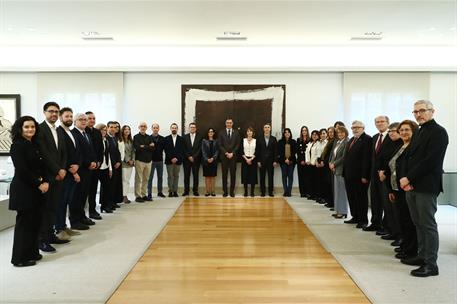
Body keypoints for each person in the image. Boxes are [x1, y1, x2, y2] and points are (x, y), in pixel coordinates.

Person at [399, 100, 448, 277]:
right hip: (411, 185)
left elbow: (431, 161)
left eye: (422, 111)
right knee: (417, 223)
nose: (418, 114)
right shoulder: (419, 131)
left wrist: (409, 178)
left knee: (427, 225)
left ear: (432, 111)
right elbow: (408, 157)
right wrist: (406, 180)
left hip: (426, 185)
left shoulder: (439, 132)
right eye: (415, 112)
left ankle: (431, 264)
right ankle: (422, 256)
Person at [9, 116, 49, 267]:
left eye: (32, 127)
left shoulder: (34, 144)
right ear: (20, 129)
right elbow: (22, 170)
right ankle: (19, 258)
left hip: (37, 190)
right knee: (24, 225)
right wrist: (39, 183)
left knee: (35, 223)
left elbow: (42, 166)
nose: (30, 129)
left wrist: (45, 181)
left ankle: (32, 253)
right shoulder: (17, 145)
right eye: (26, 127)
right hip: (24, 189)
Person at [383, 121, 418, 261]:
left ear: (414, 131)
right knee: (402, 219)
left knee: (409, 221)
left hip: (406, 188)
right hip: (396, 188)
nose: (403, 132)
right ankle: (405, 245)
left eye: (407, 130)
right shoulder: (400, 146)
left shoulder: (414, 147)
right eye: (401, 130)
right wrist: (391, 189)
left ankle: (411, 249)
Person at [37, 102, 69, 253]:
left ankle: (50, 236)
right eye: (51, 111)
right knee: (45, 209)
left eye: (56, 112)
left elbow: (63, 152)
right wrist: (57, 170)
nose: (54, 114)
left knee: (53, 207)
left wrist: (62, 169)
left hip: (59, 175)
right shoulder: (40, 129)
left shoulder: (59, 130)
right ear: (44, 112)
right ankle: (42, 240)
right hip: (47, 175)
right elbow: (44, 153)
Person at [364, 116, 397, 240]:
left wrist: (384, 172)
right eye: (377, 122)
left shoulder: (393, 136)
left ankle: (386, 227)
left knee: (386, 202)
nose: (379, 123)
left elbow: (390, 157)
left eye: (382, 121)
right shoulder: (374, 138)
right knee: (375, 200)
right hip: (374, 174)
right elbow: (373, 157)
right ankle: (375, 223)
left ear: (388, 123)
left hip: (385, 175)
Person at [55, 108, 81, 238]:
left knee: (67, 201)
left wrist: (77, 166)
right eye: (67, 116)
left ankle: (64, 226)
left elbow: (76, 152)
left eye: (71, 116)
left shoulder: (71, 132)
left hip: (73, 171)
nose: (69, 118)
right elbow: (63, 154)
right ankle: (59, 228)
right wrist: (72, 170)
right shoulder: (58, 132)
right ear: (60, 117)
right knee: (61, 201)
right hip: (65, 172)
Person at [70, 113, 97, 230]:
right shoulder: (73, 134)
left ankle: (82, 216)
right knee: (77, 196)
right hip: (80, 169)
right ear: (75, 121)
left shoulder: (86, 134)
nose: (84, 121)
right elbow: (77, 153)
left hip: (88, 170)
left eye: (85, 120)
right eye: (81, 119)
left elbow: (91, 150)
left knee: (84, 195)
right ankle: (75, 220)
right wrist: (88, 163)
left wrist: (94, 161)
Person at [342, 120, 372, 228]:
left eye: (357, 127)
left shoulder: (367, 139)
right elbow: (347, 158)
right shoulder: (351, 140)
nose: (355, 129)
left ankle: (363, 220)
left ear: (363, 128)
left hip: (360, 176)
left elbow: (367, 159)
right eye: (353, 127)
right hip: (349, 175)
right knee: (352, 197)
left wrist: (365, 175)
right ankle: (355, 216)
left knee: (361, 198)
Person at [85, 111, 104, 220]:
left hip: (96, 165)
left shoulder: (97, 132)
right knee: (84, 191)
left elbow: (100, 149)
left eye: (93, 118)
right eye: (89, 118)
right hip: (86, 166)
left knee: (93, 189)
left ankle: (92, 210)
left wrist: (99, 161)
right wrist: (90, 162)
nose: (92, 120)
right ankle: (83, 212)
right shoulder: (83, 131)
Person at [328, 126, 349, 219]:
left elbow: (344, 157)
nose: (340, 134)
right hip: (335, 169)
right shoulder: (337, 142)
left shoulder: (346, 142)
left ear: (345, 133)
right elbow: (333, 154)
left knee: (341, 191)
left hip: (341, 169)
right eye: (338, 132)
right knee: (337, 191)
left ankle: (343, 211)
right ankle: (338, 210)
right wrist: (331, 163)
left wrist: (334, 164)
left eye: (342, 132)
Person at [95, 123, 115, 213]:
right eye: (101, 130)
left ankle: (105, 206)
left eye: (104, 130)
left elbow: (108, 155)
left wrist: (110, 168)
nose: (103, 131)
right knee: (94, 189)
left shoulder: (106, 140)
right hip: (97, 168)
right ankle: (94, 208)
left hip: (105, 166)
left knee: (106, 187)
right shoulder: (95, 140)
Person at [219, 118, 241, 197]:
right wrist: (226, 153)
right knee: (224, 175)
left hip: (233, 157)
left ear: (232, 124)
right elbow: (220, 145)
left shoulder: (237, 133)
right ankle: (225, 192)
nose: (229, 124)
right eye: (227, 123)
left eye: (230, 123)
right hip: (224, 157)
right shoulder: (221, 132)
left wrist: (232, 153)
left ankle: (232, 192)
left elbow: (238, 144)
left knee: (233, 175)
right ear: (225, 124)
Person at [133, 122, 154, 202]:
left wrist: (143, 146)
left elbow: (153, 149)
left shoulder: (149, 137)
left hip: (148, 161)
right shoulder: (136, 137)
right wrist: (148, 146)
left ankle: (144, 194)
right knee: (139, 179)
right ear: (139, 127)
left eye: (144, 126)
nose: (143, 127)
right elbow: (137, 148)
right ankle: (138, 196)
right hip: (139, 161)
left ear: (146, 128)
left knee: (146, 179)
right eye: (141, 126)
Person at [164, 123, 185, 197]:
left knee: (176, 176)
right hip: (169, 161)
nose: (174, 129)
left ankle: (175, 191)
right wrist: (171, 158)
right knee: (170, 176)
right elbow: (166, 150)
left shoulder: (181, 139)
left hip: (178, 160)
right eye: (172, 128)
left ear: (177, 129)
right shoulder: (166, 138)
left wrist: (176, 158)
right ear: (170, 129)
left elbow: (182, 150)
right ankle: (170, 191)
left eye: (175, 128)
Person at [256, 123, 278, 197]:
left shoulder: (274, 139)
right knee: (262, 177)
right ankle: (262, 192)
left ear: (270, 129)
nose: (267, 129)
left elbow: (275, 151)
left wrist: (275, 160)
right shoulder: (259, 138)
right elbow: (257, 151)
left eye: (268, 127)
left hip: (271, 161)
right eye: (265, 127)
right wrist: (258, 161)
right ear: (263, 129)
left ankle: (270, 192)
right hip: (262, 161)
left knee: (270, 177)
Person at [183, 122, 203, 196]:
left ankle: (195, 191)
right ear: (189, 128)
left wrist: (194, 157)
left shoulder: (200, 137)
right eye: (191, 127)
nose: (192, 128)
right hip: (186, 160)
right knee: (186, 176)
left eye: (194, 127)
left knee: (195, 176)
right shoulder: (184, 137)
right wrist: (189, 156)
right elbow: (184, 148)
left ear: (196, 128)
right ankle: (186, 191)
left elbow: (200, 148)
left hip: (196, 160)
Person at [147, 123, 165, 199]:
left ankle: (160, 192)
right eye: (154, 128)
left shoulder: (162, 138)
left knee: (160, 177)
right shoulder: (148, 138)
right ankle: (149, 193)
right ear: (152, 129)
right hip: (151, 161)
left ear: (158, 129)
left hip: (160, 160)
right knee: (150, 178)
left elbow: (165, 149)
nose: (155, 129)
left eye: (156, 128)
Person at [107, 121, 122, 208]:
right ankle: (108, 203)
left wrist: (119, 161)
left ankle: (113, 202)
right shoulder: (106, 138)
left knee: (114, 185)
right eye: (111, 127)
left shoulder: (114, 138)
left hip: (116, 164)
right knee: (109, 185)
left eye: (114, 127)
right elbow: (108, 153)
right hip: (110, 165)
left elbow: (117, 152)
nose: (113, 129)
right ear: (108, 128)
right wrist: (113, 163)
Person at [277, 128, 296, 197]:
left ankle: (289, 192)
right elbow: (279, 152)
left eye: (288, 132)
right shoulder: (280, 142)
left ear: (290, 134)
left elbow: (294, 152)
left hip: (291, 161)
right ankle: (285, 191)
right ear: (284, 134)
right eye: (285, 132)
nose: (287, 133)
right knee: (284, 176)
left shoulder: (293, 141)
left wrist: (289, 159)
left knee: (290, 176)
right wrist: (285, 159)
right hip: (283, 161)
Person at [119, 125, 135, 203]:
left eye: (128, 129)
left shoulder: (130, 140)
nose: (127, 130)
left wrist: (133, 160)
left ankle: (125, 195)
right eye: (125, 129)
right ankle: (123, 196)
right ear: (122, 131)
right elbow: (122, 152)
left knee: (127, 180)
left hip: (131, 163)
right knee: (124, 180)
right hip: (124, 163)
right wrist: (128, 160)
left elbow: (133, 151)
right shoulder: (120, 140)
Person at [202, 128, 219, 196]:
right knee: (207, 177)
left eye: (212, 131)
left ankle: (213, 191)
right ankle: (207, 191)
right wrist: (207, 159)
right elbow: (203, 151)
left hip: (214, 161)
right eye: (209, 132)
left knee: (212, 177)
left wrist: (213, 158)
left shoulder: (216, 141)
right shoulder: (204, 141)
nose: (210, 133)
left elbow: (217, 151)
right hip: (206, 162)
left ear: (213, 133)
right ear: (208, 133)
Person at [241, 127, 257, 197]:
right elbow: (241, 151)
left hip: (253, 160)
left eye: (251, 131)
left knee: (253, 176)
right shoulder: (243, 140)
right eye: (248, 131)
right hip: (245, 159)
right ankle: (246, 192)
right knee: (245, 176)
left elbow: (257, 151)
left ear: (253, 133)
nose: (249, 132)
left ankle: (252, 192)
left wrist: (251, 159)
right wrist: (246, 159)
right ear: (246, 133)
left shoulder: (256, 140)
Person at [305, 130, 320, 201]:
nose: (314, 136)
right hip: (309, 164)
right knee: (310, 180)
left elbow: (318, 154)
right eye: (313, 134)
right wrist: (307, 161)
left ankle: (316, 195)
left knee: (316, 181)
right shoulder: (310, 143)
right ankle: (311, 194)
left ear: (318, 135)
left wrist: (314, 162)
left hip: (315, 165)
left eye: (316, 134)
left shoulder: (319, 143)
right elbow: (306, 153)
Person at [315, 128, 329, 204]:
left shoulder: (327, 142)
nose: (322, 135)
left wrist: (323, 162)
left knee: (324, 182)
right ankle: (320, 196)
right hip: (318, 162)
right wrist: (317, 162)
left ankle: (324, 198)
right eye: (321, 134)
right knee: (318, 181)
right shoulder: (318, 142)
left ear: (326, 134)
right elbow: (317, 153)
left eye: (324, 133)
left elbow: (326, 154)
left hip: (324, 163)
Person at [296, 126, 310, 198]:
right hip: (300, 162)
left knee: (307, 177)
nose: (304, 132)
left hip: (307, 162)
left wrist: (305, 160)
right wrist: (301, 160)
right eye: (303, 131)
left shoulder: (310, 140)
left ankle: (307, 192)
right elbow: (298, 151)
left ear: (307, 131)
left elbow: (309, 152)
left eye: (305, 130)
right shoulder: (298, 140)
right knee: (301, 177)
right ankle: (302, 192)